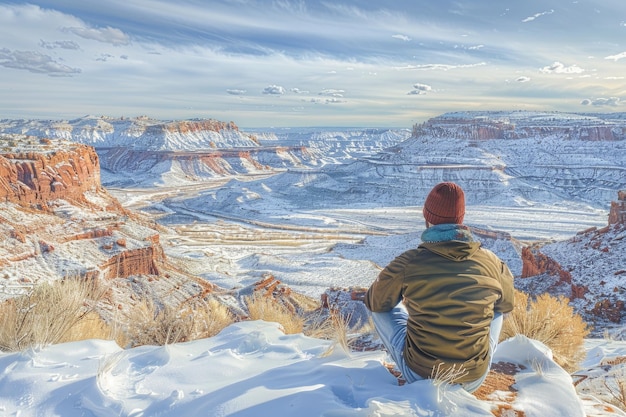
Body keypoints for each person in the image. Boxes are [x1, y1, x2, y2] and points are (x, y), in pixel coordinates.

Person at [364, 182, 514, 392]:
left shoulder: (409, 262)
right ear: (461, 219)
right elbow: (506, 305)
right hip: (472, 378)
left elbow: (375, 302)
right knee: (497, 310)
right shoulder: (493, 262)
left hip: (421, 374)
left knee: (381, 307)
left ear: (428, 218)